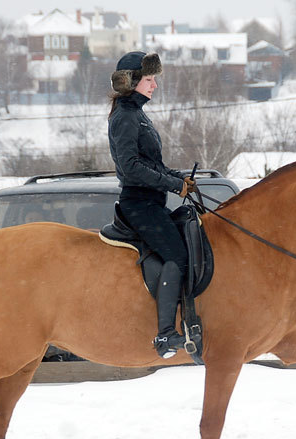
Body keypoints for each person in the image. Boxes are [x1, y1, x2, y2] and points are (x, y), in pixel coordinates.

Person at [107, 51, 196, 359]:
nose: (154, 85)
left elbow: (151, 164)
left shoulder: (137, 113)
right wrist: (172, 184)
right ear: (131, 81)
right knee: (178, 256)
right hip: (139, 204)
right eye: (149, 79)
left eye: (154, 79)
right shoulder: (126, 117)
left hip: (152, 201)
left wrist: (178, 177)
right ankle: (165, 334)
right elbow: (131, 167)